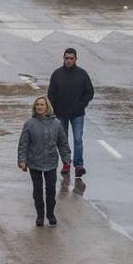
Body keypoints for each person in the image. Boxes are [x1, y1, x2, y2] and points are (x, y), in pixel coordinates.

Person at [17, 96, 70, 227]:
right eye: (37, 105)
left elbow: (62, 143)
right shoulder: (29, 123)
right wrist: (22, 160)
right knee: (38, 189)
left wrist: (66, 159)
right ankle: (40, 215)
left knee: (51, 189)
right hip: (34, 162)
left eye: (42, 105)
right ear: (35, 107)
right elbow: (23, 144)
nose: (40, 107)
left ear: (47, 107)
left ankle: (50, 214)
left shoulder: (56, 123)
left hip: (51, 161)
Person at [47, 47, 94, 178]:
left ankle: (79, 165)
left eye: (71, 58)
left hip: (77, 113)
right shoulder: (57, 74)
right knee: (63, 140)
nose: (68, 61)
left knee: (78, 139)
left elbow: (89, 92)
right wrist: (53, 110)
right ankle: (66, 163)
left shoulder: (82, 74)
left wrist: (82, 104)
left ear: (75, 59)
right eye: (66, 58)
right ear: (63, 58)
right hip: (61, 113)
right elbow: (51, 94)